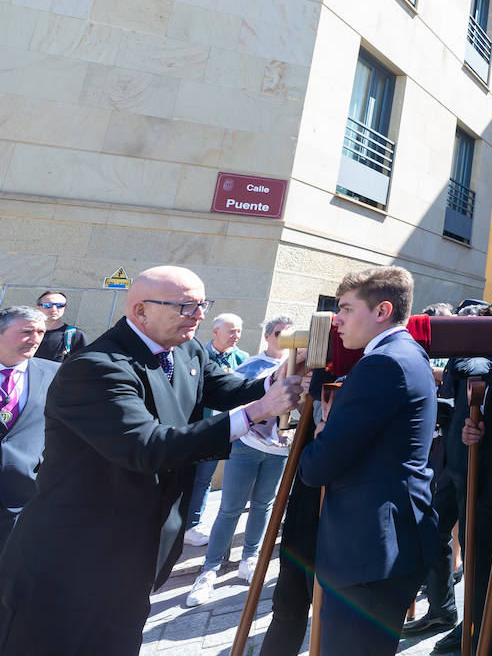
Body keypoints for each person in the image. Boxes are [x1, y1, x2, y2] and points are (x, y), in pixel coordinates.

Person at [0, 265, 303, 654]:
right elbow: (147, 447)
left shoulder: (184, 347)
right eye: (185, 305)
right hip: (76, 554)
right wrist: (256, 411)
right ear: (141, 311)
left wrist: (272, 382)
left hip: (135, 548)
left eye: (202, 304)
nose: (199, 315)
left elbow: (220, 386)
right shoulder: (96, 367)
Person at [298, 266, 440, 656]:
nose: (336, 320)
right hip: (382, 544)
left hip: (370, 551)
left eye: (344, 308)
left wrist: (320, 435)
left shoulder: (382, 364)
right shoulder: (405, 353)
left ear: (382, 311)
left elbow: (317, 467)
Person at [423, 294, 492, 653]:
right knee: (472, 557)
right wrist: (472, 431)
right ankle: (470, 623)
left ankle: (482, 628)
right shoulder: (485, 363)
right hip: (467, 475)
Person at [186, 315, 295, 606]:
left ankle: (250, 556)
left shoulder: (300, 369)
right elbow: (236, 401)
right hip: (247, 447)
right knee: (230, 508)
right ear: (269, 336)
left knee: (263, 506)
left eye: (291, 336)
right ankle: (210, 568)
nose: (287, 341)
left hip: (278, 452)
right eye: (281, 334)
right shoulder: (251, 366)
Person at [184, 312, 251, 546]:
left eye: (239, 331)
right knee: (191, 477)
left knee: (208, 479)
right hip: (197, 428)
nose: (236, 336)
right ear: (215, 332)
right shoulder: (197, 354)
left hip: (226, 429)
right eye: (231, 331)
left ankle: (195, 525)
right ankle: (184, 524)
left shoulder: (243, 358)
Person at [0, 307, 58, 550]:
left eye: (40, 332)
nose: (35, 339)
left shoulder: (56, 373)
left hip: (24, 493)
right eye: (26, 332)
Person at [33, 290, 85, 362]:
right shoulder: (26, 332)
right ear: (37, 308)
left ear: (65, 308)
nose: (54, 309)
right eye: (48, 305)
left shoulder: (75, 334)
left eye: (59, 305)